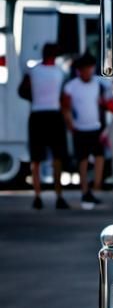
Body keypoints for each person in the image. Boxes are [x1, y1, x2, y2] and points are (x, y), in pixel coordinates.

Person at [22, 42, 70, 210]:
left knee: (36, 159)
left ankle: (37, 196)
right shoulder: (60, 72)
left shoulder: (33, 71)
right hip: (54, 115)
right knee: (57, 158)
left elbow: (22, 91)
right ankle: (59, 196)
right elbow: (64, 97)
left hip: (37, 114)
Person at [62, 53, 111, 208]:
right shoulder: (71, 86)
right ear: (79, 70)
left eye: (91, 68)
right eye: (86, 69)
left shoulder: (98, 84)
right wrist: (70, 124)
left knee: (99, 157)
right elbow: (66, 107)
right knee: (82, 160)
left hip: (96, 127)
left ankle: (96, 186)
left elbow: (104, 102)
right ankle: (85, 190)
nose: (89, 72)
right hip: (80, 128)